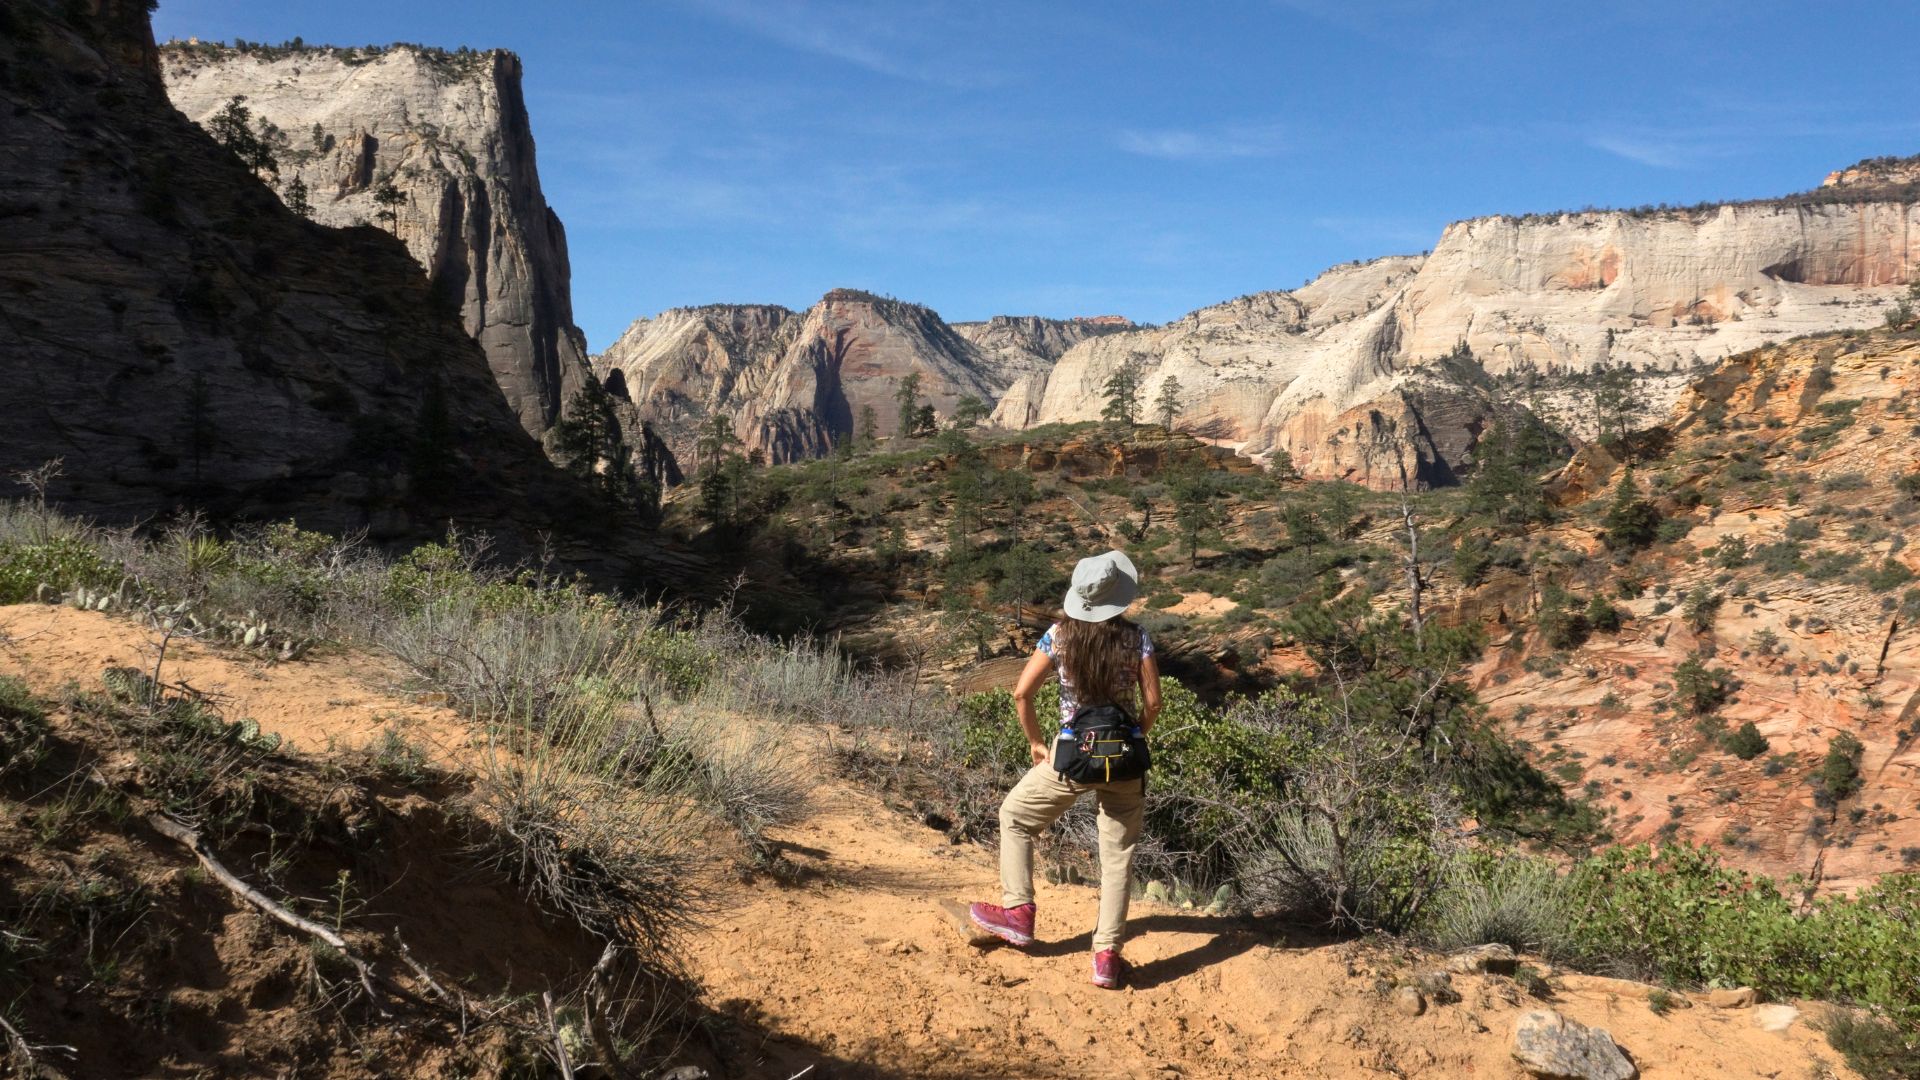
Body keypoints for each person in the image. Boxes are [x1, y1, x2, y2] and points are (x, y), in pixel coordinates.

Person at [968, 550, 1161, 989]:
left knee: (1015, 817)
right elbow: (1153, 703)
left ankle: (1019, 912)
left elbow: (1022, 693)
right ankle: (1106, 956)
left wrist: (1037, 743)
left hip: (1072, 755)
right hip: (1124, 759)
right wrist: (1134, 735)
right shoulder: (1138, 638)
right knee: (1117, 857)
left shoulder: (1058, 636)